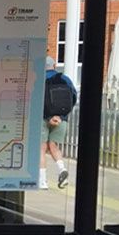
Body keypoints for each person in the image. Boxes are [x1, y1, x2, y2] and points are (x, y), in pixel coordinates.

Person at [40, 55, 77, 189]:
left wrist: (49, 117)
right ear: (54, 66)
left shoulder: (40, 79)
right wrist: (61, 116)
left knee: (41, 148)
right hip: (62, 119)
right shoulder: (65, 79)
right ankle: (62, 169)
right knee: (54, 146)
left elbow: (37, 100)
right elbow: (73, 98)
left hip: (43, 118)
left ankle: (42, 181)